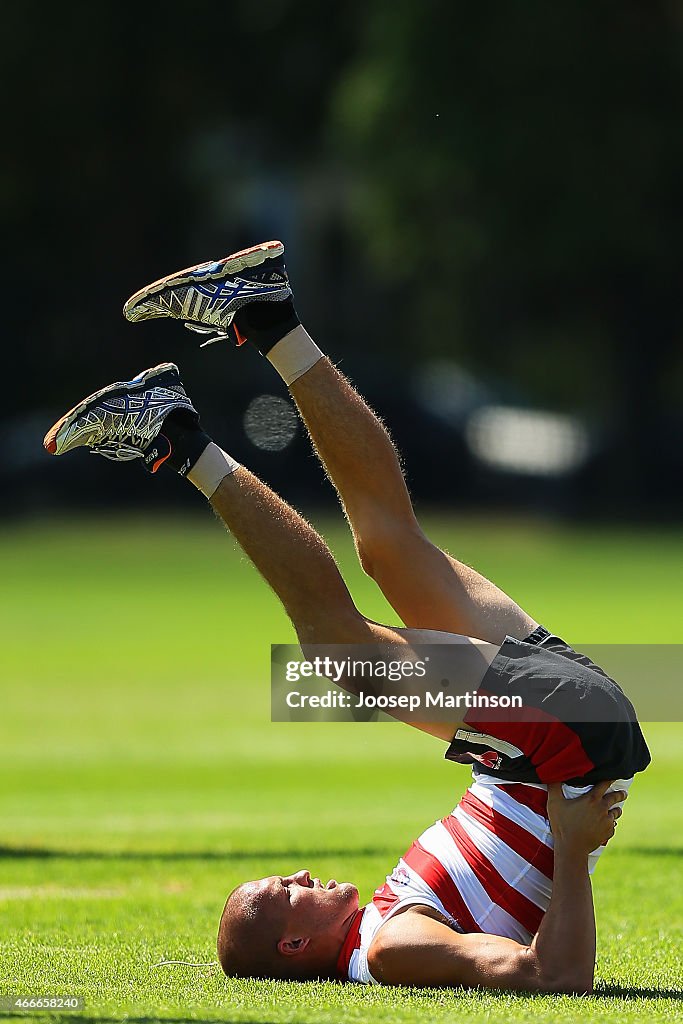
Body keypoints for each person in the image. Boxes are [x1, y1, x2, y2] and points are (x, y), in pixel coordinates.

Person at [44, 241, 650, 993]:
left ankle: (267, 315)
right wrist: (570, 846)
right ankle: (177, 438)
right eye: (282, 892)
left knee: (389, 546)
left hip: (547, 735)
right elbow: (552, 977)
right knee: (338, 647)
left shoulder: (384, 922)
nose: (299, 871)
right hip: (562, 746)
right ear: (296, 945)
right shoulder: (391, 949)